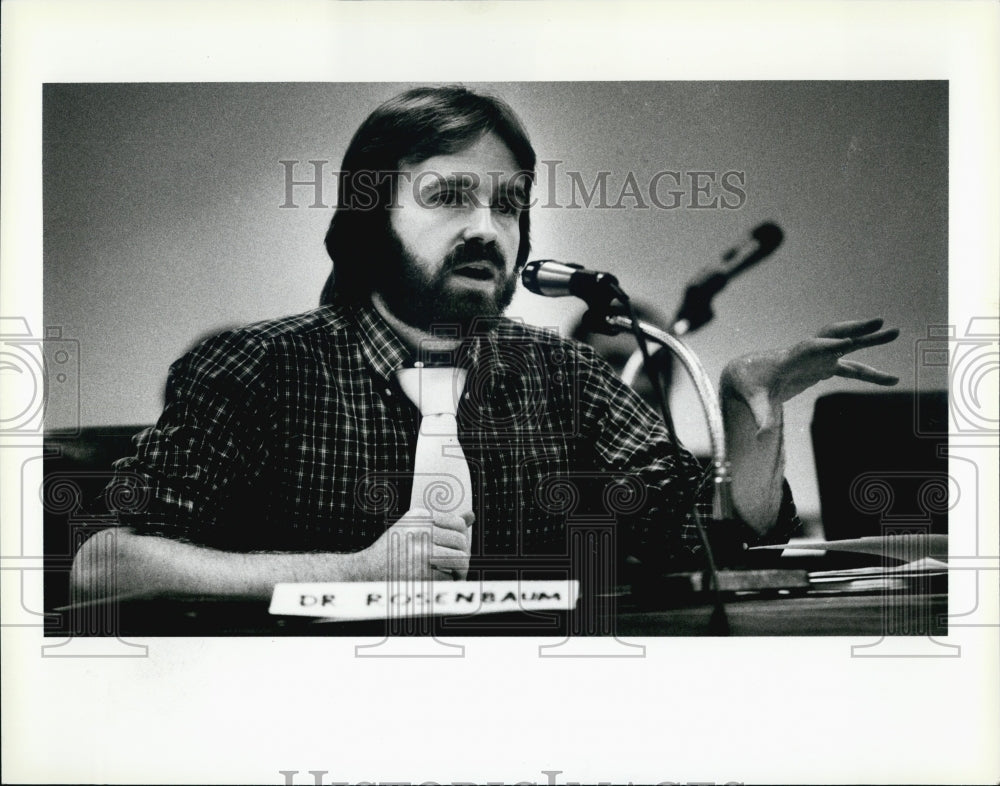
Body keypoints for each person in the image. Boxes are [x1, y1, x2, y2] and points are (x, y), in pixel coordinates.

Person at [70, 86, 899, 602]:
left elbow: (707, 545)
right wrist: (351, 575)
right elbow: (105, 567)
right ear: (371, 220)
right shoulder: (255, 369)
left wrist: (745, 413)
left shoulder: (563, 374)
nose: (485, 227)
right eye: (450, 196)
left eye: (507, 205)